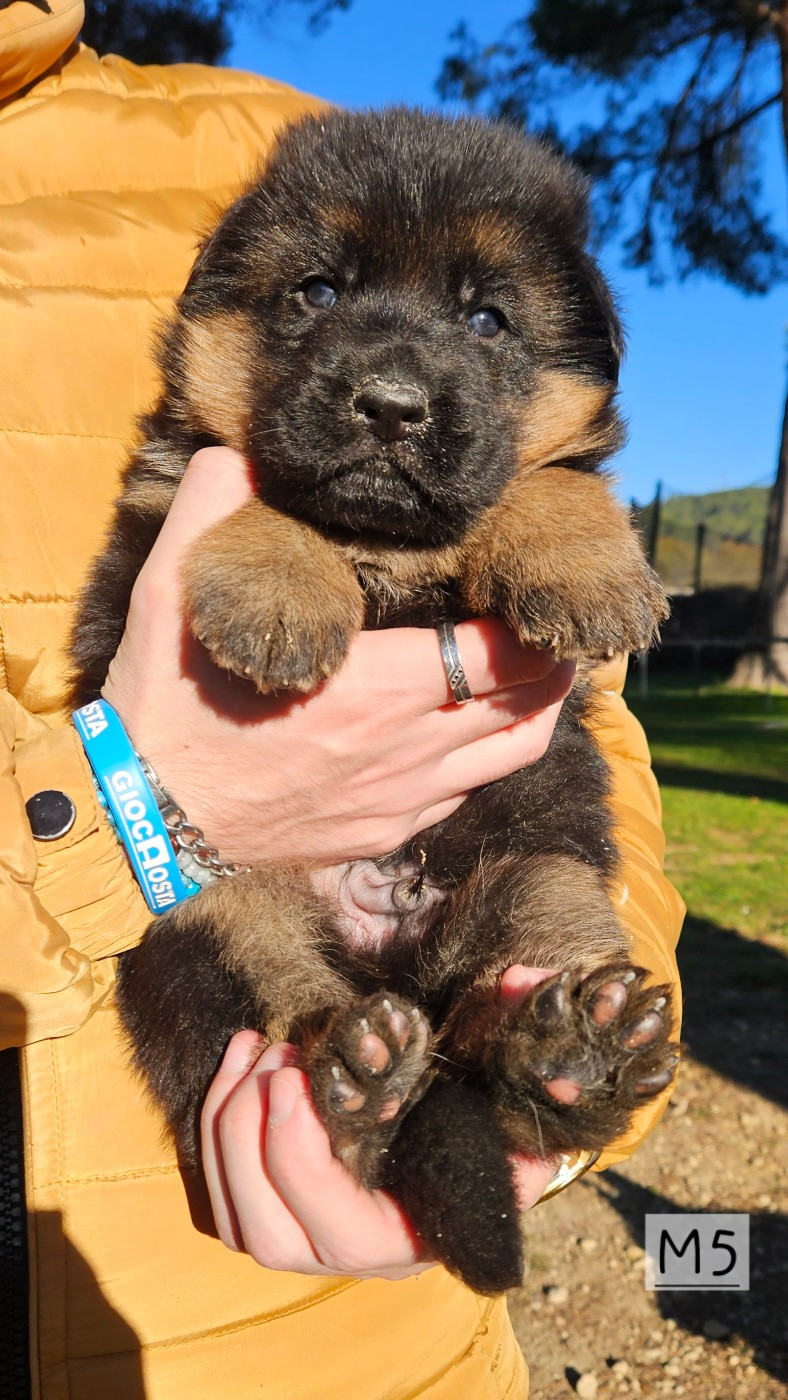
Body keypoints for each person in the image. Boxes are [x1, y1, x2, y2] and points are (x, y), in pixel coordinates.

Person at [0, 3, 685, 1396]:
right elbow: (183, 523)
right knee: (236, 942)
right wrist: (132, 811)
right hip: (230, 967)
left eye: (488, 318)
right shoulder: (218, 445)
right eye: (312, 298)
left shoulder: (236, 130)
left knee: (554, 887)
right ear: (217, 309)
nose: (387, 375)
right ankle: (349, 1070)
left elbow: (597, 721)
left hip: (375, 1328)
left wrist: (548, 522)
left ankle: (554, 1044)